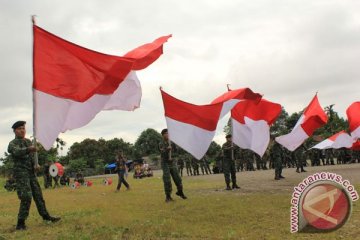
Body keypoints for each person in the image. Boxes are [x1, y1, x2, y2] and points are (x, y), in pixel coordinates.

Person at [7, 121, 60, 230]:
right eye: (19, 128)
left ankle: (46, 217)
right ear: (15, 131)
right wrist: (28, 149)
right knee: (26, 196)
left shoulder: (28, 141)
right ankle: (20, 223)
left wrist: (36, 164)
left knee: (38, 195)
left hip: (31, 172)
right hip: (21, 173)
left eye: (23, 128)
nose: (22, 130)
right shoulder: (12, 144)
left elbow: (32, 157)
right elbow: (17, 152)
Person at [158, 129, 187, 202]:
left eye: (168, 133)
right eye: (165, 133)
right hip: (165, 163)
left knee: (177, 178)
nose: (167, 135)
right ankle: (168, 196)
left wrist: (173, 157)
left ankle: (180, 192)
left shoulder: (172, 143)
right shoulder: (161, 143)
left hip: (172, 162)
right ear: (163, 135)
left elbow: (176, 152)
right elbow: (162, 153)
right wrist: (167, 150)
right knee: (167, 179)